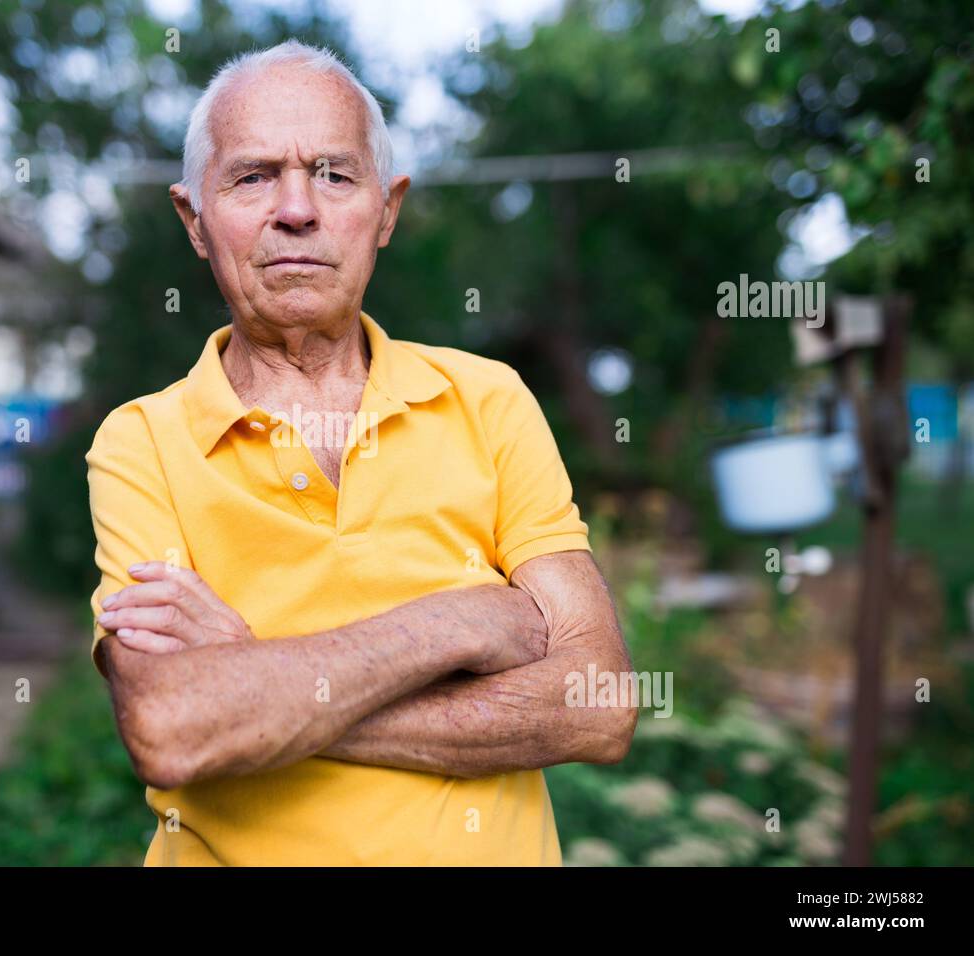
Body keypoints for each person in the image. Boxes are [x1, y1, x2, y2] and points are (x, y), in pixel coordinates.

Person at [85, 40, 635, 866]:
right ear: (195, 223)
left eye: (335, 174)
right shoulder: (142, 443)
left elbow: (598, 705)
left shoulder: (488, 401)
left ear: (387, 210)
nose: (297, 208)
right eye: (254, 176)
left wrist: (253, 684)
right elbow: (172, 729)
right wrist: (459, 623)